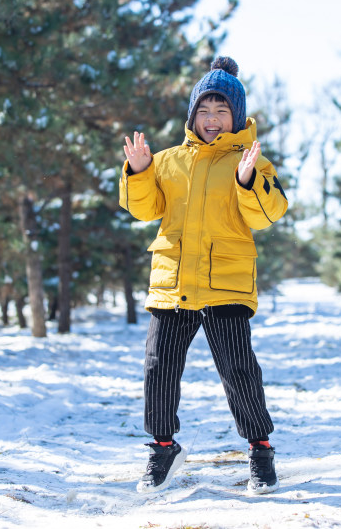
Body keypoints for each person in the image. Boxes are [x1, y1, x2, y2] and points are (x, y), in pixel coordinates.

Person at [119, 56, 289, 495]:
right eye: (204, 111)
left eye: (222, 111)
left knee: (238, 370)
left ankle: (260, 449)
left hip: (226, 284)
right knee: (158, 368)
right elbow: (145, 210)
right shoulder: (169, 161)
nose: (212, 120)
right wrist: (139, 172)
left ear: (237, 115)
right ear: (193, 115)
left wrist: (248, 179)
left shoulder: (250, 160)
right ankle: (162, 448)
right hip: (172, 281)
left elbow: (269, 213)